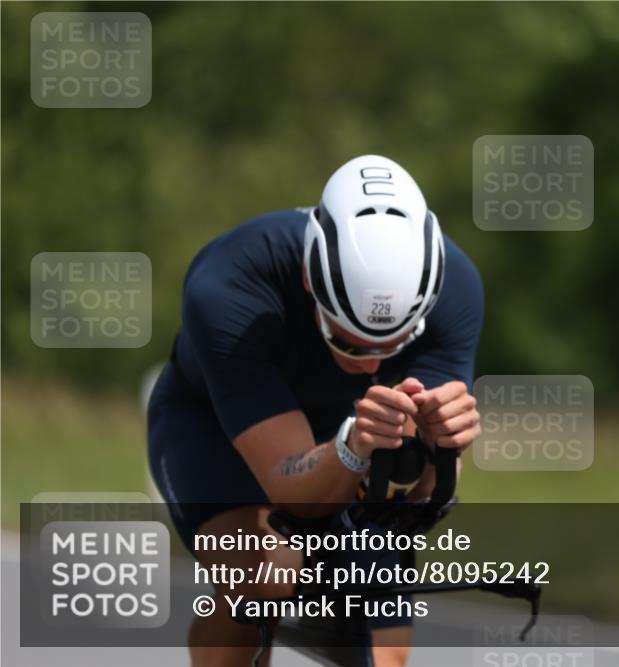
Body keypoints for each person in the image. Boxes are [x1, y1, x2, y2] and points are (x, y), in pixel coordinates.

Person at [147, 155, 484, 667]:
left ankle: (328, 616)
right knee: (263, 575)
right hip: (212, 427)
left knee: (385, 643)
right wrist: (350, 448)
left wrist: (442, 451)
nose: (370, 362)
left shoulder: (456, 290)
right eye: (347, 341)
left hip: (358, 434)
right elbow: (292, 492)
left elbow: (422, 500)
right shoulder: (230, 283)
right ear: (309, 278)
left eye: (392, 345)